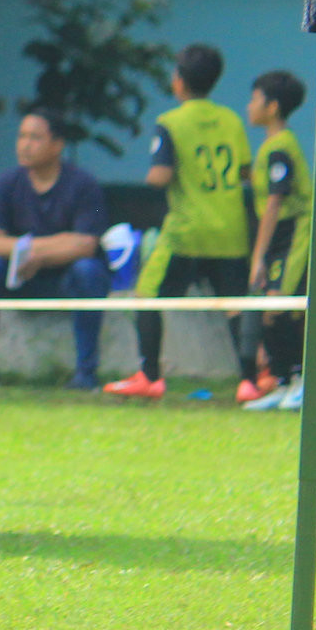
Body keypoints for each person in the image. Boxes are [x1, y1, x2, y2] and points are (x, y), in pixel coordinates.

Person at [106, 44, 259, 400]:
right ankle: (249, 380)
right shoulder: (232, 120)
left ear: (178, 81)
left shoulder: (170, 122)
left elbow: (160, 175)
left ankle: (149, 376)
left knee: (147, 295)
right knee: (236, 305)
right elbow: (245, 172)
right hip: (230, 229)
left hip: (187, 231)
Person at [0, 109, 109, 389]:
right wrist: (41, 247)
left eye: (35, 138)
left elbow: (86, 244)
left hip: (67, 278)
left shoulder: (85, 184)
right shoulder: (7, 183)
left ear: (58, 145)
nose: (24, 145)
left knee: (89, 271)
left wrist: (34, 252)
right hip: (19, 276)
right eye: (21, 136)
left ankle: (86, 372)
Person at [243, 70, 313, 410]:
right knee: (271, 310)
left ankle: (301, 382)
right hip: (280, 237)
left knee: (280, 307)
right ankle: (283, 383)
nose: (249, 106)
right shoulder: (272, 146)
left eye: (254, 99)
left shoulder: (280, 147)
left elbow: (275, 202)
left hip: (293, 233)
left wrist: (259, 256)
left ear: (272, 107)